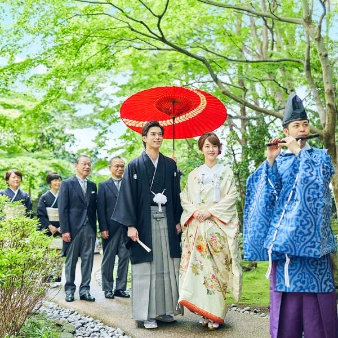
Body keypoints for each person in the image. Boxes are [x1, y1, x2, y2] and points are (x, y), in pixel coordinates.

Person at [244, 92, 338, 338]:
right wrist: (271, 162)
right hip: (286, 244)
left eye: (305, 124)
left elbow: (320, 186)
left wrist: (301, 153)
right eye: (296, 125)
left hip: (314, 242)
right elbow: (270, 197)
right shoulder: (280, 158)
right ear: (286, 131)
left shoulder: (319, 157)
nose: (302, 129)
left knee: (320, 304)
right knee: (287, 305)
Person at [112, 120, 182, 329]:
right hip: (143, 221)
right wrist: (130, 225)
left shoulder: (169, 164)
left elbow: (176, 194)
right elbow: (127, 196)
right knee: (147, 267)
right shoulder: (134, 165)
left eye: (160, 134)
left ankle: (164, 310)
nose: (157, 137)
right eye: (153, 134)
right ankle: (147, 314)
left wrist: (177, 219)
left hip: (167, 220)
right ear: (144, 138)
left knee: (166, 265)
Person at [178, 132, 242, 330]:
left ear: (219, 148)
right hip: (197, 228)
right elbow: (185, 198)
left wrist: (210, 212)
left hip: (217, 228)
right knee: (199, 271)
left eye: (214, 145)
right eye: (207, 146)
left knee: (217, 270)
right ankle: (203, 312)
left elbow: (232, 197)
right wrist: (196, 211)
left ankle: (216, 313)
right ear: (201, 149)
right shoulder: (193, 174)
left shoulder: (227, 172)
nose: (211, 149)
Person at [58, 155, 98, 303]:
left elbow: (94, 209)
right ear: (76, 165)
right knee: (71, 261)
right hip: (72, 229)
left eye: (89, 164)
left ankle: (85, 290)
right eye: (83, 164)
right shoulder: (67, 184)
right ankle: (69, 290)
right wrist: (65, 230)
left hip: (89, 228)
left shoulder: (93, 186)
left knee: (88, 261)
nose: (87, 166)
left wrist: (96, 230)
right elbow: (63, 208)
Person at [97, 156, 130, 299]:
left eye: (122, 166)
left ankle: (120, 288)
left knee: (124, 258)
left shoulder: (129, 184)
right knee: (108, 259)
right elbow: (100, 208)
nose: (120, 169)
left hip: (126, 228)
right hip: (109, 228)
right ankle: (108, 288)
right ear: (110, 168)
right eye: (117, 166)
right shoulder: (103, 186)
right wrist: (103, 227)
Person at [37, 172, 63, 283]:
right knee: (47, 254)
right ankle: (47, 278)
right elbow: (40, 213)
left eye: (59, 180)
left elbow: (67, 212)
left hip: (61, 228)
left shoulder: (63, 195)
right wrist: (49, 226)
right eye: (55, 180)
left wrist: (62, 226)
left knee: (58, 254)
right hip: (48, 229)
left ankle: (57, 278)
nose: (58, 182)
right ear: (49, 183)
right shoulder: (44, 197)